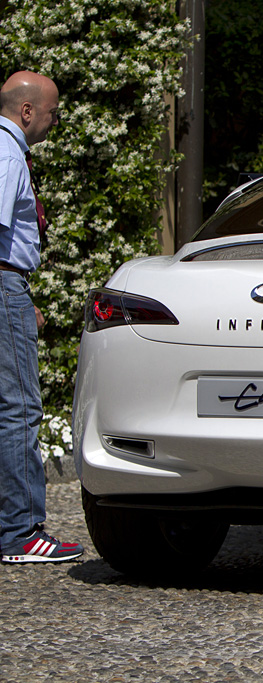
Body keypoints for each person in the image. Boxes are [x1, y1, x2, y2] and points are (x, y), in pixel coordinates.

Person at [0, 70, 83, 564]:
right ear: (27, 111)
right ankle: (21, 533)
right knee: (20, 409)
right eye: (52, 111)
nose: (54, 120)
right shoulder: (8, 154)